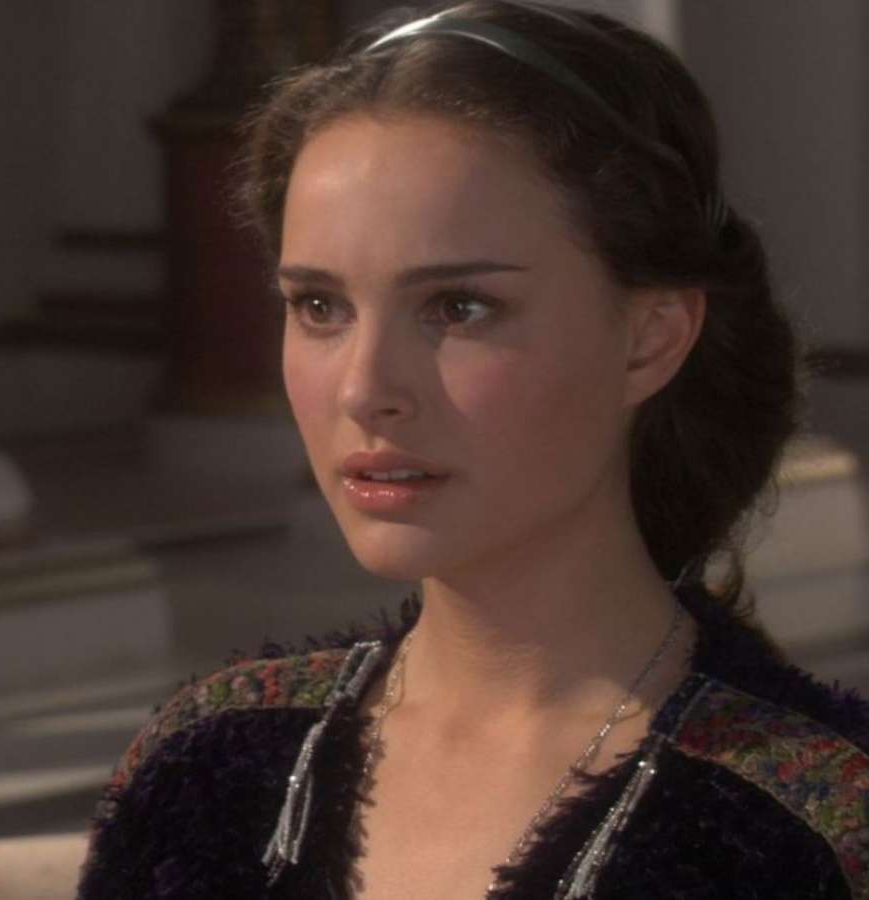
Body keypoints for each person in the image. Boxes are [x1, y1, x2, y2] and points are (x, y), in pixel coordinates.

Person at [77, 2, 869, 897]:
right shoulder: (205, 766)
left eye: (458, 307)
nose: (363, 389)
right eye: (320, 307)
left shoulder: (813, 831)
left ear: (649, 339)